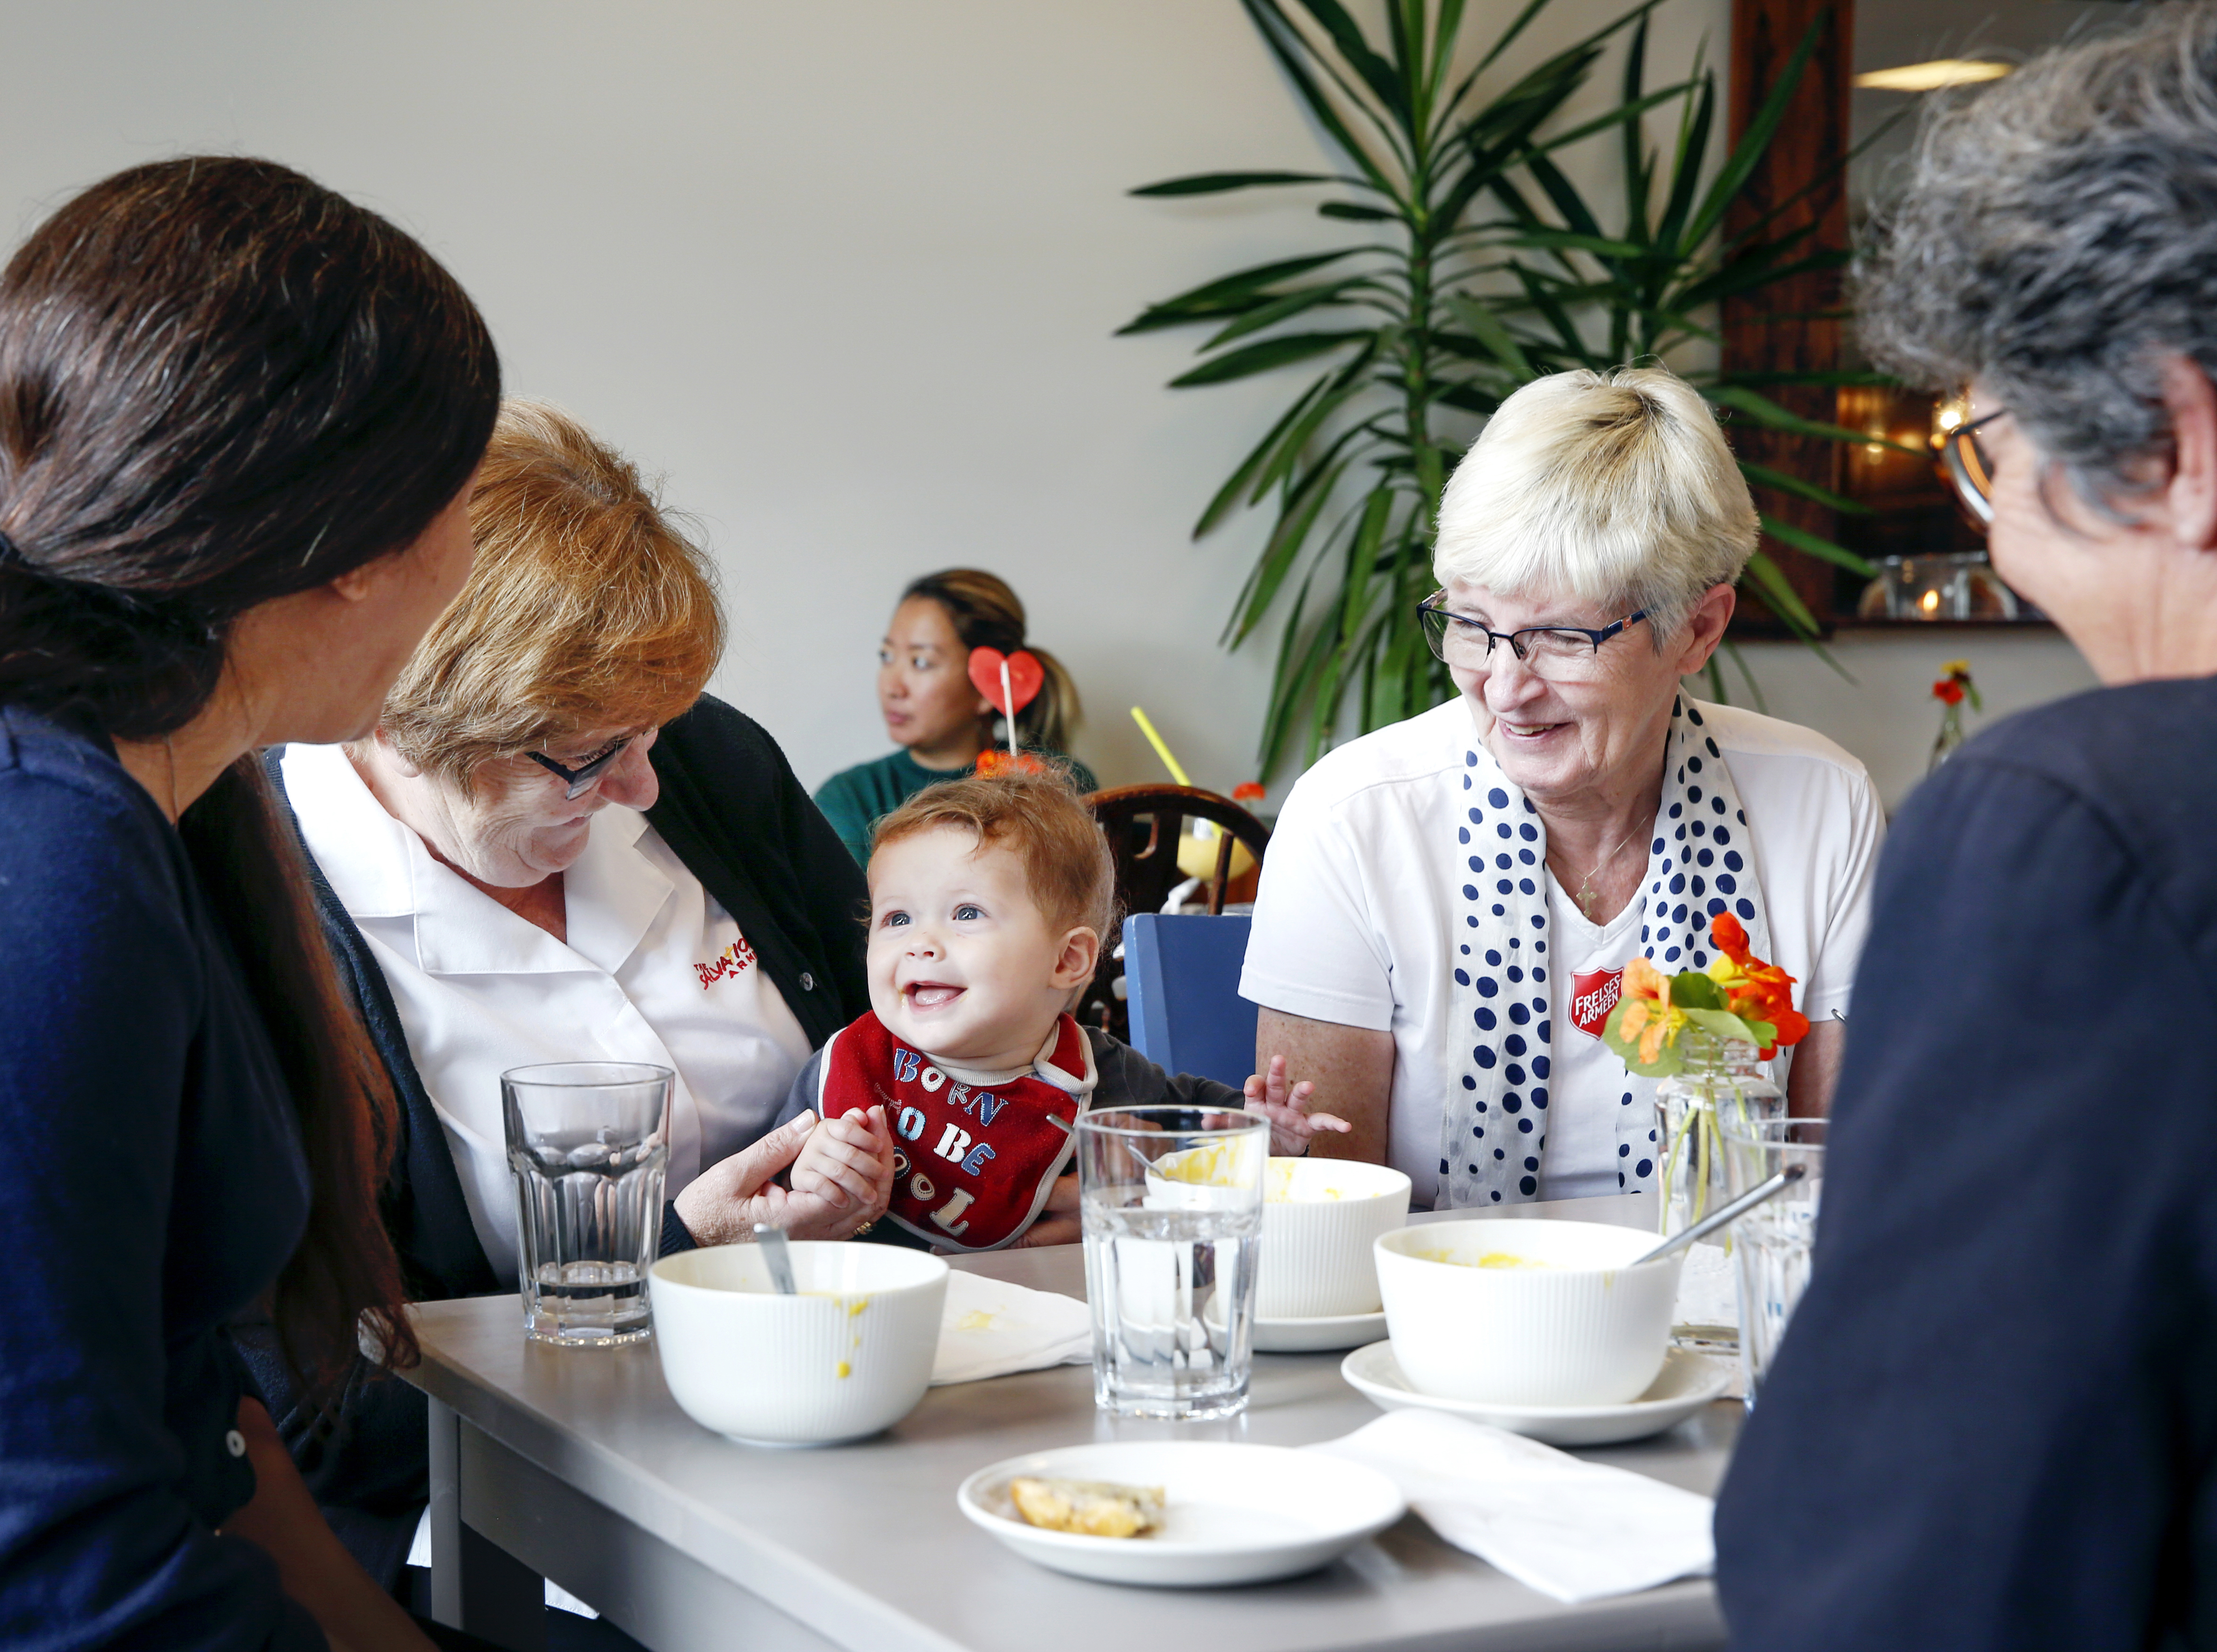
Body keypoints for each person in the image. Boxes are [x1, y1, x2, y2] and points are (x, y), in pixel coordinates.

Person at [0, 157, 498, 1652]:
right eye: (467, 500)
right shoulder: (14, 843)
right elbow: (54, 1580)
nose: (468, 563)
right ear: (351, 549)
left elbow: (182, 1405)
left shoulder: (141, 771)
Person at [1716, 9, 2217, 1644]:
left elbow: (1908, 1575)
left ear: (2176, 439)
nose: (1986, 524)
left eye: (1979, 450)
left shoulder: (2072, 836)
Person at [251, 399, 893, 1591]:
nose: (644, 785)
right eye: (589, 755)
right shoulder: (256, 898)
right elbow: (316, 1413)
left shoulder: (699, 764)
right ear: (403, 712)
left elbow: (897, 1027)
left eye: (650, 732)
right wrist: (670, 1257)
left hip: (844, 1434)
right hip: (510, 1534)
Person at [1241, 365, 1883, 1208]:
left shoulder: (1820, 803)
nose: (1503, 688)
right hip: (1437, 1315)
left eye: (1559, 637)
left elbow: (1830, 1187)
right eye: (1473, 625)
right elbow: (1329, 1212)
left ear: (1697, 628)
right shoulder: (1353, 819)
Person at [775, 768, 1339, 1250]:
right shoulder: (844, 1068)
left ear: (1067, 959)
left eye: (966, 913)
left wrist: (1264, 1138)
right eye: (896, 919)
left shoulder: (1100, 1075)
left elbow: (1193, 1127)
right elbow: (764, 1197)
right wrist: (804, 1176)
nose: (920, 943)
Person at [814, 569, 1097, 863]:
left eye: (921, 662)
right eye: (887, 656)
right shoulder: (849, 799)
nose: (892, 687)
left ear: (988, 686)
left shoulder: (1060, 782)